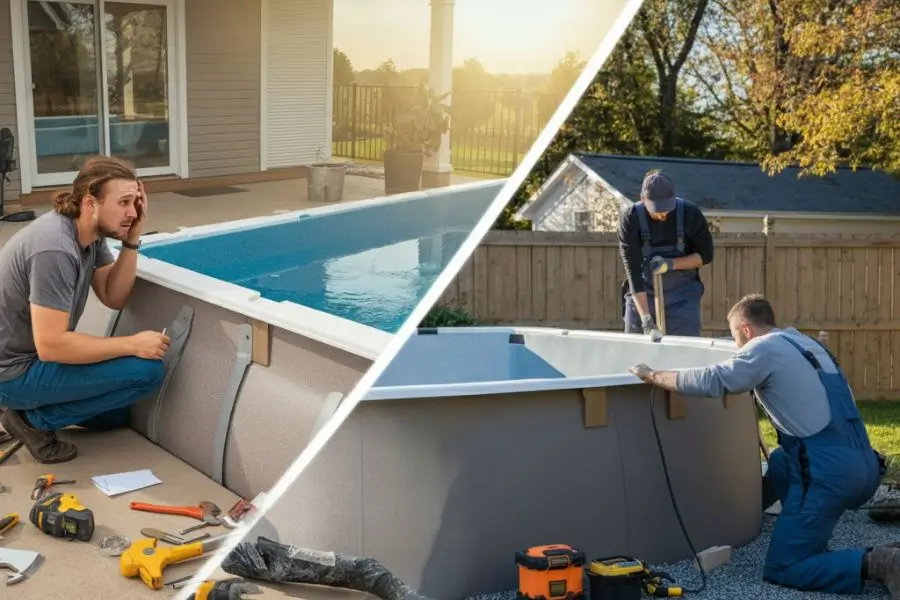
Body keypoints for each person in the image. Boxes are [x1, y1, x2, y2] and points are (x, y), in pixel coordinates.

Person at [628, 294, 900, 597]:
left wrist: (653, 375)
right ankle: (793, 525)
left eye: (735, 338)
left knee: (785, 567)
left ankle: (880, 561)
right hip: (864, 465)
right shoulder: (808, 345)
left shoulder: (762, 348)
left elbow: (715, 379)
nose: (736, 348)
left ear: (745, 330)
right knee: (782, 461)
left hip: (830, 477)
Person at [0, 156, 170, 464]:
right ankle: (29, 422)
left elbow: (112, 296)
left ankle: (26, 409)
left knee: (114, 415)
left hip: (29, 359)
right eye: (123, 202)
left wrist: (131, 240)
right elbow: (52, 346)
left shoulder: (88, 235)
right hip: (11, 371)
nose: (132, 212)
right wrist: (133, 344)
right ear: (91, 202)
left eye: (135, 202)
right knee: (146, 373)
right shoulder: (54, 246)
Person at [618, 170, 714, 341]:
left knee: (684, 353)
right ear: (643, 199)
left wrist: (670, 264)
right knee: (637, 352)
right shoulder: (630, 219)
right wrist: (646, 319)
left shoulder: (690, 214)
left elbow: (705, 256)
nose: (662, 214)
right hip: (642, 294)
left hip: (682, 297)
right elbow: (632, 270)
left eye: (666, 208)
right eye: (656, 209)